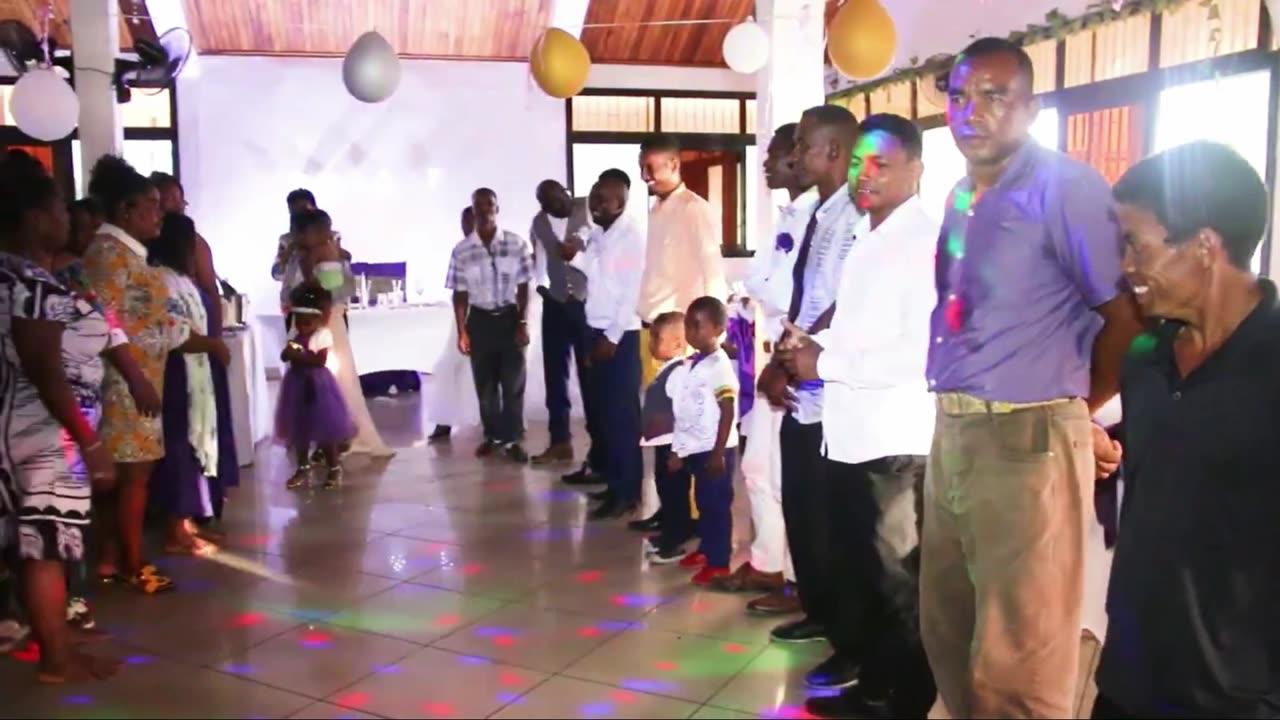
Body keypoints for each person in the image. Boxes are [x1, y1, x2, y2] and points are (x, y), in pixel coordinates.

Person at [919, 37, 1143, 719]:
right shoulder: (962, 194)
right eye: (959, 97)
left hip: (1026, 437)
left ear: (1031, 107)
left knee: (1018, 658)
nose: (971, 111)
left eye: (994, 95)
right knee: (949, 629)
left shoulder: (1066, 187)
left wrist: (1075, 412)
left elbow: (1125, 319)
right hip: (953, 431)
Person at [1086, 142, 1279, 719]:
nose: (1125, 268)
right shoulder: (1144, 357)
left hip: (1238, 695)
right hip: (1131, 675)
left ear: (1203, 246)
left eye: (1136, 246)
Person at [778, 113, 938, 718]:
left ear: (916, 171)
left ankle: (904, 701)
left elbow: (920, 353)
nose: (863, 176)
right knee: (863, 575)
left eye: (881, 165)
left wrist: (828, 361)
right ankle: (875, 686)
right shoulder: (871, 237)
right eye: (857, 163)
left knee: (896, 584)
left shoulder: (923, 242)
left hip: (893, 440)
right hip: (851, 434)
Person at [0, 154, 125, 682]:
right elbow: (45, 369)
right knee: (46, 547)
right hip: (42, 435)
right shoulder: (32, 284)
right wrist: (88, 440)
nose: (66, 220)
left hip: (16, 428)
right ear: (31, 217)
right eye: (56, 209)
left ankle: (53, 643)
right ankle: (56, 659)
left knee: (33, 545)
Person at [84, 156, 214, 594]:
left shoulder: (123, 253)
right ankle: (131, 562)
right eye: (151, 206)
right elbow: (103, 319)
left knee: (126, 476)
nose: (159, 214)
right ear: (125, 211)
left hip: (137, 374)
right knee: (133, 476)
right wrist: (136, 378)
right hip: (125, 381)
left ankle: (112, 556)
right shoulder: (109, 253)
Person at [758, 104, 861, 649]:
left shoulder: (856, 218)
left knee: (830, 522)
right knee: (801, 508)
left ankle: (847, 633)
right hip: (804, 384)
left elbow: (841, 307)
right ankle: (819, 610)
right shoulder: (818, 213)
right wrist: (783, 360)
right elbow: (804, 300)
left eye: (803, 144)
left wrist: (787, 359)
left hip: (832, 393)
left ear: (835, 152)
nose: (795, 155)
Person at [713, 122, 816, 610]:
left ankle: (798, 580)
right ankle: (768, 564)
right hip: (769, 349)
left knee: (784, 477)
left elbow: (788, 294)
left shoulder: (818, 216)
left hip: (794, 357)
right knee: (756, 469)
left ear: (799, 158)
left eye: (775, 154)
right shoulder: (788, 214)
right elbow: (760, 281)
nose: (766, 162)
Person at [148, 213, 234, 555]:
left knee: (196, 442)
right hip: (176, 374)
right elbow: (176, 333)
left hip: (195, 372)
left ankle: (188, 521)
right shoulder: (161, 279)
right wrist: (212, 345)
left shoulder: (182, 279)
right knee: (180, 448)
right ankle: (175, 528)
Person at [562, 175, 645, 520]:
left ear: (620, 203)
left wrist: (611, 338)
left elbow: (631, 292)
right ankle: (613, 484)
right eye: (594, 198)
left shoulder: (631, 237)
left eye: (602, 200)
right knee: (604, 417)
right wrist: (573, 256)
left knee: (622, 418)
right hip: (594, 329)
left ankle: (627, 493)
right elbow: (595, 275)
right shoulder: (600, 233)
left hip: (619, 337)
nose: (594, 205)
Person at [291, 209, 394, 458]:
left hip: (325, 322)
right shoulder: (313, 252)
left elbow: (329, 292)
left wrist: (320, 324)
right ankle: (326, 434)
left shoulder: (325, 252)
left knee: (333, 380)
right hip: (313, 319)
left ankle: (339, 434)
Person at [446, 188, 533, 463]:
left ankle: (513, 439)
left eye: (490, 204)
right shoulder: (462, 250)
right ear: (473, 210)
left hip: (509, 319)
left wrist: (522, 321)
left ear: (497, 208)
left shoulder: (516, 244)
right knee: (485, 385)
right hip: (480, 321)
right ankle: (493, 436)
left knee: (513, 383)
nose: (485, 209)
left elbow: (524, 286)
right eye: (479, 205)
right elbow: (459, 293)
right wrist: (462, 330)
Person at [664, 296, 739, 586]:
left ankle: (719, 561)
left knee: (717, 504)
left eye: (698, 326)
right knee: (704, 502)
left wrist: (719, 453)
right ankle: (707, 549)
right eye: (688, 326)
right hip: (696, 447)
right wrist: (678, 450)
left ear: (718, 328)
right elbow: (685, 411)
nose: (691, 332)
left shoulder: (719, 365)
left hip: (715, 449)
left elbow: (728, 408)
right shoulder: (694, 364)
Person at [528, 179, 596, 467]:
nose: (560, 204)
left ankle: (599, 445)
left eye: (562, 197)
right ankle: (560, 442)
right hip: (555, 305)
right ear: (543, 205)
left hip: (588, 305)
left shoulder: (589, 209)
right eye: (551, 202)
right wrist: (542, 288)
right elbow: (540, 259)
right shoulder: (539, 223)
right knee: (555, 377)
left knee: (590, 375)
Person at [275, 282, 358, 490]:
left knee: (325, 431)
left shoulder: (322, 336)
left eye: (307, 323)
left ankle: (333, 467)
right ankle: (302, 466)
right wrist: (288, 353)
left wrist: (299, 355)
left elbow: (319, 361)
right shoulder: (294, 337)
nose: (303, 327)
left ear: (317, 320)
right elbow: (286, 355)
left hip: (317, 385)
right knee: (299, 429)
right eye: (299, 322)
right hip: (296, 385)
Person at [639, 311, 692, 557]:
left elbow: (684, 413)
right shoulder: (666, 369)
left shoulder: (680, 372)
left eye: (656, 339)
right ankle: (669, 531)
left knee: (674, 493)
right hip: (664, 443)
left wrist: (677, 451)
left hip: (673, 446)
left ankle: (674, 540)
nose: (651, 345)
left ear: (678, 344)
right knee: (664, 489)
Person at [427, 206, 481, 442]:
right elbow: (456, 289)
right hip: (465, 315)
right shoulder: (460, 251)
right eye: (464, 222)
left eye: (471, 221)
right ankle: (444, 421)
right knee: (453, 365)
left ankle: (495, 423)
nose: (467, 227)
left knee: (489, 371)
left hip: (489, 314)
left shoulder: (497, 248)